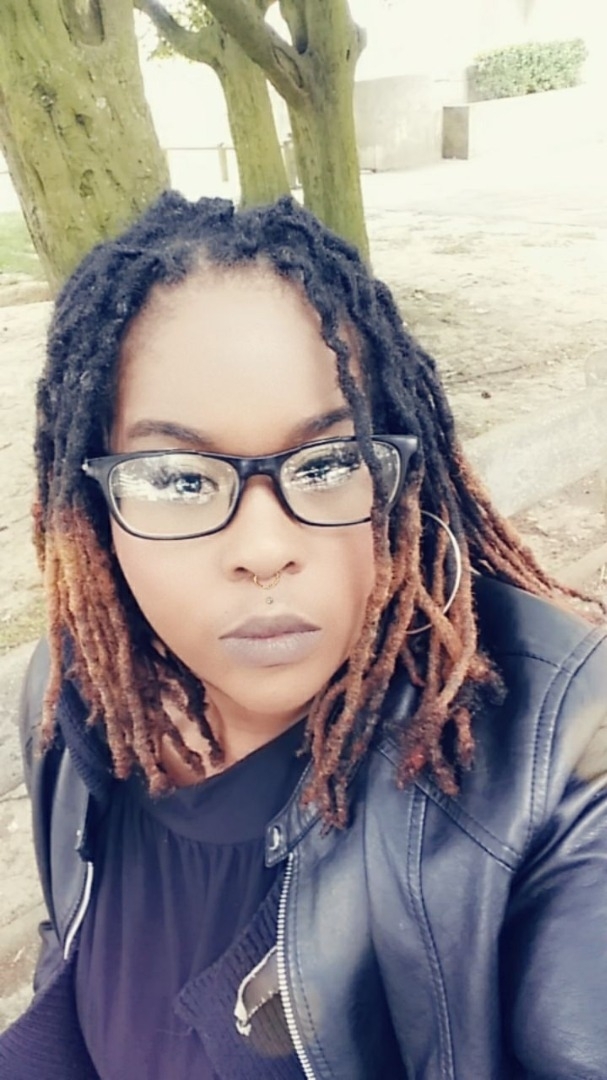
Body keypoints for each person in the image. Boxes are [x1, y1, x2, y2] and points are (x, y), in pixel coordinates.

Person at [1, 193, 606, 1080]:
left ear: (398, 479)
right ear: (93, 511)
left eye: (326, 463)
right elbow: (77, 951)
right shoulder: (80, 695)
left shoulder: (556, 756)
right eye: (177, 479)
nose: (263, 549)